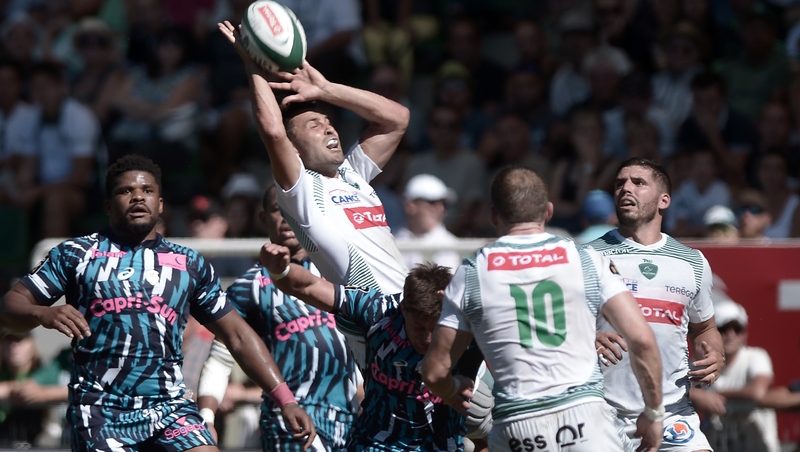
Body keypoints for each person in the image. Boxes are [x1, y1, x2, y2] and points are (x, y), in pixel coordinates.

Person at [0, 154, 315, 451]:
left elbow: (238, 335)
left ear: (161, 204)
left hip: (169, 407)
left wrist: (285, 399)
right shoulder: (75, 254)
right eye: (126, 191)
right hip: (101, 410)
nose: (138, 197)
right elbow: (9, 308)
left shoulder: (190, 263)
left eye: (147, 190)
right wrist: (42, 312)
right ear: (108, 205)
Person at [419, 166, 664, 452]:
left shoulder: (472, 273)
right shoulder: (585, 258)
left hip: (518, 424)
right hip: (586, 417)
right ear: (548, 211)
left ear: (494, 215)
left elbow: (434, 371)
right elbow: (643, 341)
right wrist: (654, 414)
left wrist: (451, 389)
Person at [218, 21, 409, 368]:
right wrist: (252, 65)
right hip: (377, 327)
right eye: (314, 125)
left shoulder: (354, 175)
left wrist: (326, 88)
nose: (329, 128)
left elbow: (397, 118)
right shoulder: (300, 192)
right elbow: (274, 131)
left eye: (328, 121)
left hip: (411, 311)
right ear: (294, 147)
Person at [259, 245, 472, 451]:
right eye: (419, 327)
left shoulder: (465, 324)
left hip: (441, 445)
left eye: (434, 329)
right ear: (404, 308)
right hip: (376, 443)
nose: (426, 338)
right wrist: (281, 271)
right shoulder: (379, 311)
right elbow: (308, 286)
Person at [197, 183, 360, 452]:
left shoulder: (340, 274)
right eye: (278, 210)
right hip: (290, 424)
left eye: (295, 209)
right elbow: (221, 356)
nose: (287, 217)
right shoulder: (249, 287)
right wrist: (207, 418)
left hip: (350, 422)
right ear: (264, 219)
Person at [588, 157, 725, 451]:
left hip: (671, 413)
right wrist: (590, 336)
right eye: (619, 183)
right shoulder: (586, 255)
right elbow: (556, 325)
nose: (625, 188)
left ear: (664, 200)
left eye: (638, 183)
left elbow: (705, 328)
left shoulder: (693, 261)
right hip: (599, 413)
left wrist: (718, 354)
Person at [690, 300, 780, 452]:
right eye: (723, 329)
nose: (730, 335)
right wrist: (696, 395)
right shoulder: (697, 363)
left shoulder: (756, 356)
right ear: (712, 333)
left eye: (737, 329)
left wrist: (711, 396)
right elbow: (669, 391)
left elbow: (757, 391)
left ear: (744, 333)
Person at [395, 174, 461, 271]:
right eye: (432, 202)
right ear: (410, 205)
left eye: (443, 203)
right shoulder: (392, 238)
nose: (440, 208)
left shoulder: (450, 244)